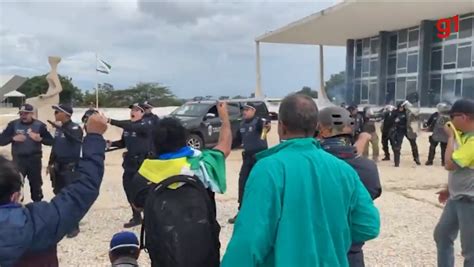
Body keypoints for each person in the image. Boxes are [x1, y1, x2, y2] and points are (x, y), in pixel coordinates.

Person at [222, 94, 380, 267]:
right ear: (316, 126)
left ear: (281, 127)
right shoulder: (344, 170)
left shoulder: (268, 169)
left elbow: (248, 241)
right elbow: (368, 225)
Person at [129, 102, 232, 267]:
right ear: (184, 139)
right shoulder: (201, 164)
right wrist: (224, 118)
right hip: (203, 250)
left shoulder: (143, 174)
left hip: (165, 253)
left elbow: (138, 205)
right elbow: (225, 146)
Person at [0, 113, 107, 267]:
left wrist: (41, 139)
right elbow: (84, 188)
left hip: (36, 162)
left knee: (38, 188)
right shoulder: (40, 223)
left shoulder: (44, 126)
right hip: (25, 164)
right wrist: (95, 137)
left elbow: (53, 143)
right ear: (15, 196)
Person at [317, 106, 382, 267]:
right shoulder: (367, 168)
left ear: (323, 131)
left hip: (316, 250)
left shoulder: (311, 164)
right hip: (351, 252)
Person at [434, 99, 474, 267]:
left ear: (464, 117)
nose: (449, 121)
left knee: (470, 250)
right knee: (442, 235)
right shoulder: (464, 136)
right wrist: (449, 189)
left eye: (452, 116)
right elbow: (460, 169)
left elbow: (449, 164)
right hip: (456, 198)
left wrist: (450, 138)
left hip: (470, 200)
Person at [107, 103, 154, 228]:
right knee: (129, 189)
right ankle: (137, 216)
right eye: (132, 109)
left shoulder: (146, 124)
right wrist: (111, 143)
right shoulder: (128, 127)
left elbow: (134, 128)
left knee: (145, 190)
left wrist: (109, 121)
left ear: (143, 113)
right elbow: (123, 143)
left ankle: (151, 216)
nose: (133, 112)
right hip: (130, 164)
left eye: (136, 110)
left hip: (143, 163)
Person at [0, 104, 54, 201]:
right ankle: (15, 206)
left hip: (34, 160)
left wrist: (40, 139)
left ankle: (37, 205)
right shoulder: (13, 125)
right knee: (15, 184)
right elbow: (1, 140)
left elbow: (51, 141)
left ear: (32, 114)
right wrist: (13, 138)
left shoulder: (40, 126)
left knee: (36, 185)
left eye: (26, 114)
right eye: (21, 114)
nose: (23, 116)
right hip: (18, 160)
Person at [228, 102, 270, 224]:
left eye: (247, 110)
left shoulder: (258, 122)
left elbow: (265, 126)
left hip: (260, 157)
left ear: (253, 111)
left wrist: (266, 126)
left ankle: (264, 211)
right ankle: (242, 211)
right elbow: (236, 142)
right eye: (243, 110)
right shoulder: (242, 124)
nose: (244, 112)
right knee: (243, 183)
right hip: (247, 158)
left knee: (261, 183)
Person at [48, 104, 84, 238]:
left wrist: (61, 128)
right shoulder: (59, 129)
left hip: (70, 167)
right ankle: (63, 221)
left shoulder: (74, 128)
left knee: (71, 196)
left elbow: (75, 140)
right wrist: (50, 163)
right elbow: (55, 147)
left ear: (66, 114)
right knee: (58, 193)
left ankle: (74, 226)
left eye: (57, 112)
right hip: (58, 166)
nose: (55, 114)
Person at [390, 100, 420, 167]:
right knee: (397, 146)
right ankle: (396, 163)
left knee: (413, 144)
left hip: (408, 129)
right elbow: (391, 121)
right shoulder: (395, 112)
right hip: (398, 130)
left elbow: (416, 118)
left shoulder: (408, 112)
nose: (402, 108)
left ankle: (417, 159)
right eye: (401, 107)